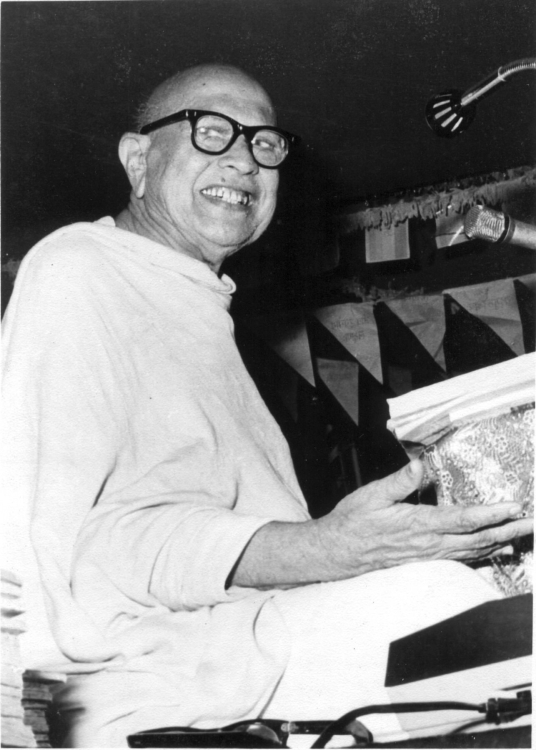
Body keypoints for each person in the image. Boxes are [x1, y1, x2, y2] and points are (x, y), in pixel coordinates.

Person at [2, 64, 532, 748]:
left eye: (264, 143)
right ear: (138, 160)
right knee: (452, 605)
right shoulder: (78, 267)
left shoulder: (195, 303)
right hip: (143, 677)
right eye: (212, 131)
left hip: (240, 654)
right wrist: (323, 549)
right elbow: (64, 542)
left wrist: (346, 549)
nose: (245, 161)